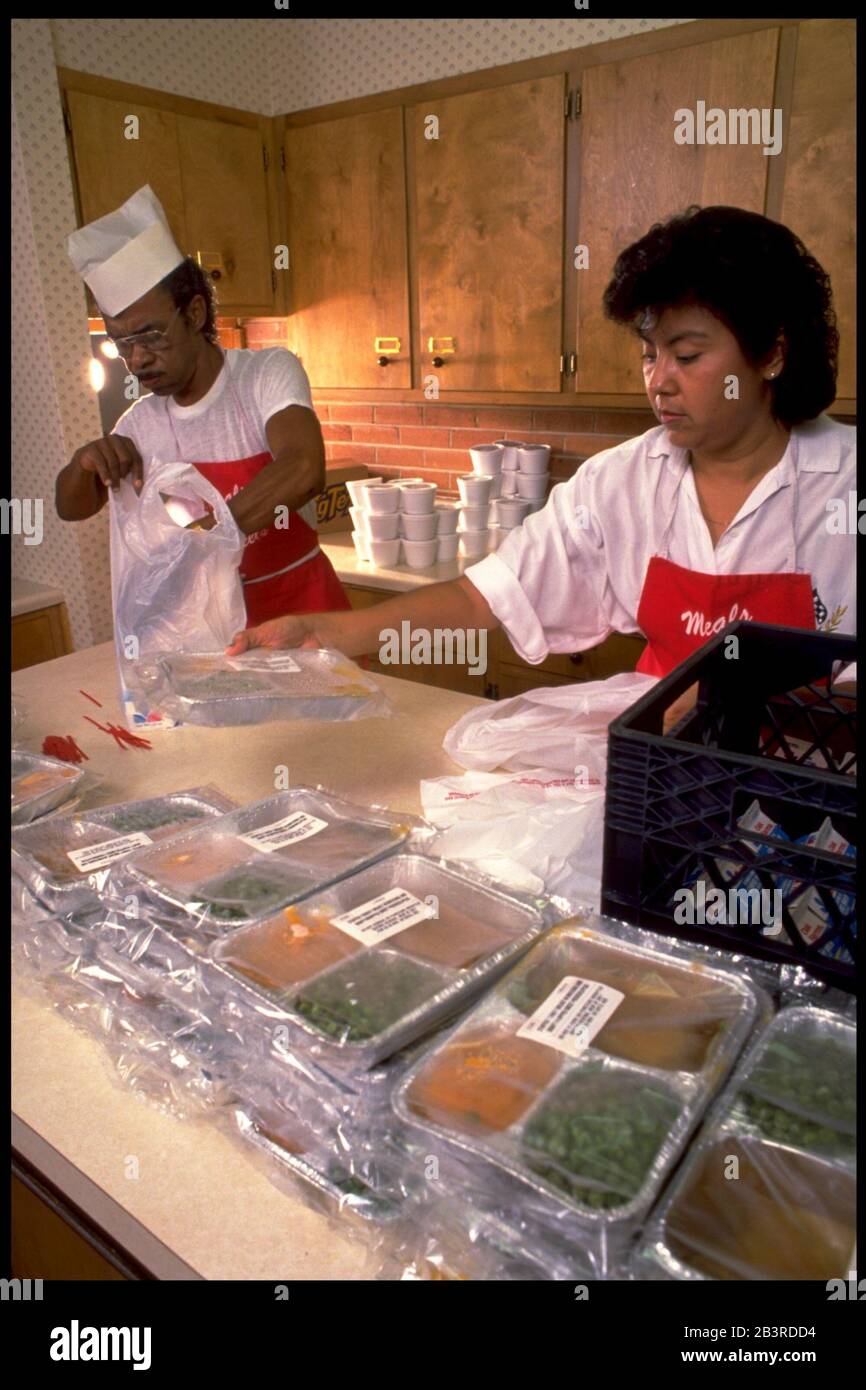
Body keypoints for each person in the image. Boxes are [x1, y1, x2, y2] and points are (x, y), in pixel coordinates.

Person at [226, 205, 856, 710]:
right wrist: (327, 633)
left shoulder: (847, 486)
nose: (658, 380)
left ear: (771, 354)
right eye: (648, 353)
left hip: (812, 796)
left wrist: (729, 703)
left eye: (687, 356)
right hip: (659, 776)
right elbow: (485, 598)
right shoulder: (622, 482)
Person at [56, 185, 351, 626]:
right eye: (121, 344)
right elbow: (70, 506)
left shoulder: (265, 373)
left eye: (150, 336)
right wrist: (83, 464)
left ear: (194, 314)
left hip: (303, 611)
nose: (136, 360)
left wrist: (206, 540)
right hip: (214, 628)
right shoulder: (141, 423)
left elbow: (304, 469)